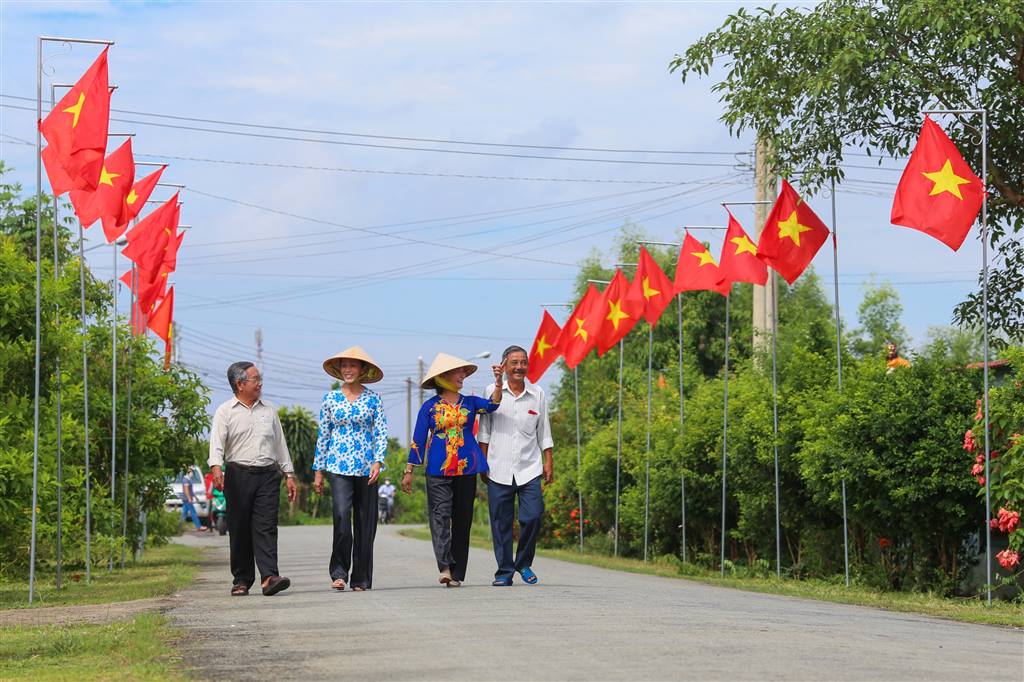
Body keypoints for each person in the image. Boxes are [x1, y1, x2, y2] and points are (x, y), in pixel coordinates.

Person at [402, 353, 503, 587]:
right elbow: (418, 439)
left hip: (466, 469)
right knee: (440, 516)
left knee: (462, 519)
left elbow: (493, 405)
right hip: (438, 470)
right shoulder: (429, 408)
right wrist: (409, 470)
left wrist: (498, 383)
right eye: (457, 373)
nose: (462, 376)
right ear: (443, 377)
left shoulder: (469, 402)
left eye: (463, 373)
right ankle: (445, 567)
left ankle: (457, 573)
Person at [209, 361, 297, 597]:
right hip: (238, 475)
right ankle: (241, 579)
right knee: (239, 528)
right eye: (255, 379)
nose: (260, 383)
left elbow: (280, 445)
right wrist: (216, 468)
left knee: (266, 526)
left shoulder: (269, 411)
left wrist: (288, 474)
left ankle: (269, 577)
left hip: (267, 475)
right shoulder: (225, 411)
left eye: (259, 378)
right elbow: (217, 444)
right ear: (240, 384)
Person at [312, 346, 389, 592]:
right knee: (342, 518)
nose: (348, 370)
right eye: (344, 366)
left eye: (352, 365)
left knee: (366, 525)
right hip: (337, 466)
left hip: (367, 468)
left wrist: (378, 460)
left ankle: (361, 579)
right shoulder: (330, 399)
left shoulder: (374, 398)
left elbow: (381, 432)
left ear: (362, 370)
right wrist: (318, 471)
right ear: (339, 370)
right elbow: (323, 435)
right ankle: (339, 572)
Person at [478, 345, 554, 586]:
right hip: (497, 467)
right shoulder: (492, 390)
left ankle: (523, 563)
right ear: (504, 365)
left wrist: (548, 460)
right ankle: (504, 572)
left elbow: (544, 432)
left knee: (533, 516)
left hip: (529, 468)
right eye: (514, 363)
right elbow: (484, 430)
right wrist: (483, 462)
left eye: (523, 362)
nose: (519, 367)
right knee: (501, 523)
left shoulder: (538, 393)